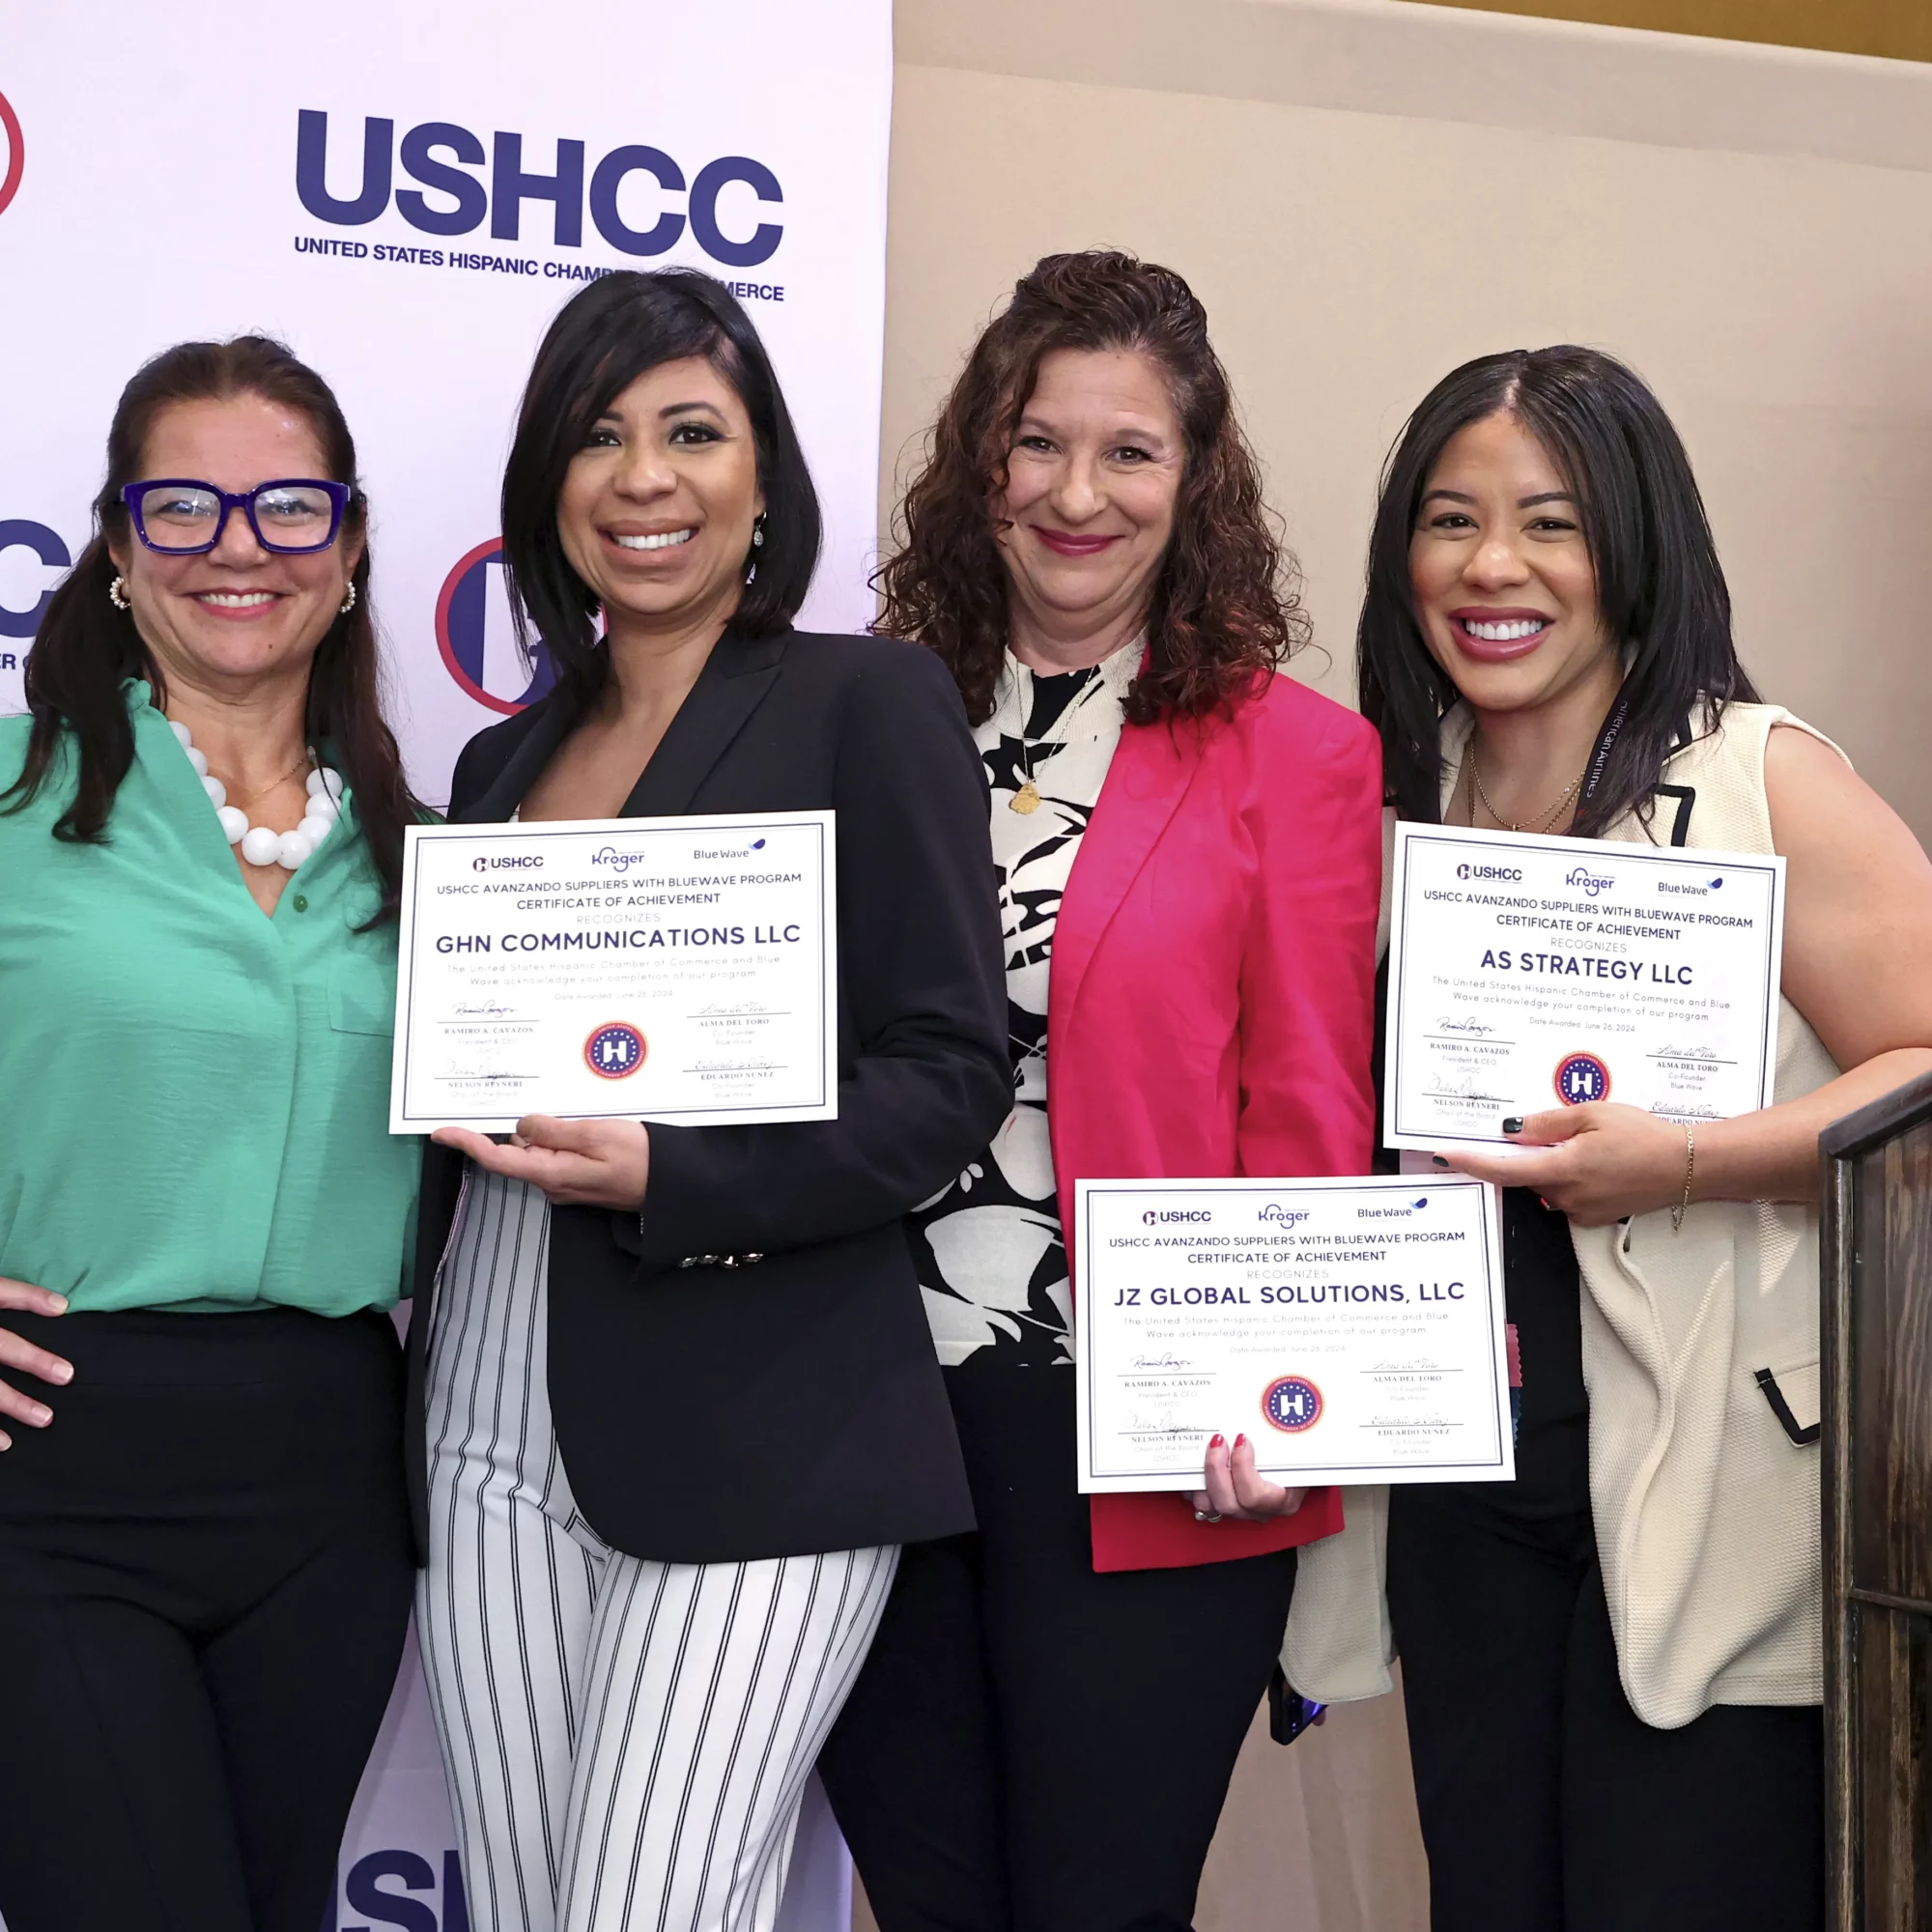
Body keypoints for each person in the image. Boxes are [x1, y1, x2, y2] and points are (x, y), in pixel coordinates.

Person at [1286, 345, 1932, 1931]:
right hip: (1465, 1486)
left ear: (1634, 544)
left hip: (1711, 1480)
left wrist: (1690, 1162)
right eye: (1450, 520)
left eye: (1550, 523)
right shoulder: (1387, 803)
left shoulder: (1762, 774)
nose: (1492, 567)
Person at [407, 269, 1009, 1932]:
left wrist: (679, 1174)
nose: (643, 477)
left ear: (764, 478)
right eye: (598, 436)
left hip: (764, 1423)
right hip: (486, 1413)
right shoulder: (497, 768)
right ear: (549, 483)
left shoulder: (863, 701)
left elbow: (949, 1071)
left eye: (692, 431)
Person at [813, 249, 1382, 1932]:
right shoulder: (852, 716)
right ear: (979, 457)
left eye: (1129, 452)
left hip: (1144, 1437)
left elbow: (1309, 1104)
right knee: (926, 1904)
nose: (1077, 494)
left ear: (1195, 482)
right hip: (858, 1423)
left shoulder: (1301, 754)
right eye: (1037, 442)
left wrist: (1291, 1398)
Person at [0, 336, 422, 1932]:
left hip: (330, 1479)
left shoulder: (434, 857)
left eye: (287, 505)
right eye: (182, 506)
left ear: (353, 540)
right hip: (52, 1469)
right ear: (117, 549)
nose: (238, 543)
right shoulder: (5, 796)